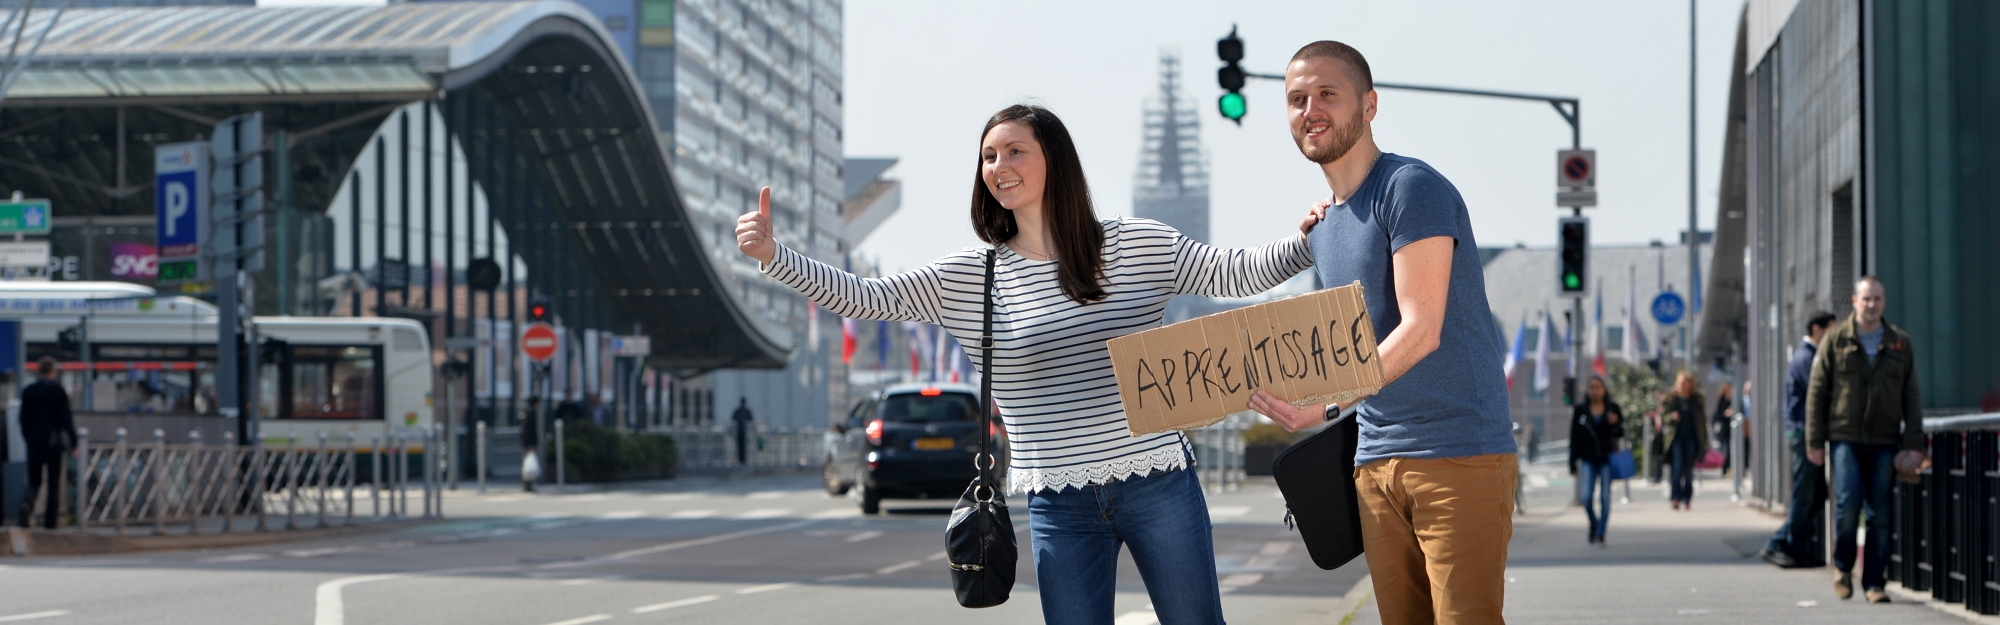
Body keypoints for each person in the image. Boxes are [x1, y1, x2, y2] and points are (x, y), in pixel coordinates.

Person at [735, 103, 1315, 625]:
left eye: (1015, 151)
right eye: (988, 155)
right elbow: (867, 297)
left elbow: (1239, 273)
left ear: (1054, 162)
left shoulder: (1136, 245)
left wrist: (1311, 236)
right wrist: (773, 256)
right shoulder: (970, 276)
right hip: (1058, 501)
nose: (998, 165)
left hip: (1159, 482)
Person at [1243, 41, 1519, 624]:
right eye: (1297, 99)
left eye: (1327, 94)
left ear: (1368, 105)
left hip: (1456, 453)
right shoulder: (1323, 227)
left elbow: (1421, 330)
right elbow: (1346, 343)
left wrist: (1323, 407)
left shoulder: (1410, 188)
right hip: (1373, 460)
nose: (1310, 109)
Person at [1806, 277, 1923, 604]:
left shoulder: (1899, 343)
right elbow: (1817, 393)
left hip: (1885, 440)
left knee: (1880, 514)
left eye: (1877, 299)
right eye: (1866, 298)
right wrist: (1814, 441)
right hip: (1845, 438)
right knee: (1847, 506)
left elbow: (1911, 397)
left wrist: (1915, 444)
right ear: (1855, 301)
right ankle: (1843, 568)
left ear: (1884, 302)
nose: (1871, 305)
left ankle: (1874, 583)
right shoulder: (1835, 340)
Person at [1761, 310, 1837, 568]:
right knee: (1804, 494)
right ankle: (1781, 544)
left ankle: (1793, 545)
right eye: (1830, 330)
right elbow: (1821, 392)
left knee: (1814, 496)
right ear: (1817, 329)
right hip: (1804, 433)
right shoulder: (1807, 358)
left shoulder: (1809, 356)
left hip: (1806, 432)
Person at [19, 356, 76, 528]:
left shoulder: (29, 391)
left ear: (38, 371)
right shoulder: (58, 391)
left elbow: (23, 419)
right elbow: (67, 419)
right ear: (53, 371)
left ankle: (26, 507)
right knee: (53, 483)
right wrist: (73, 443)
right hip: (54, 443)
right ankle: (50, 521)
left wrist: (28, 438)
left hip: (34, 442)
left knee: (34, 481)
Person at [1568, 377, 1624, 547]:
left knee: (1605, 497)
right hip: (1588, 459)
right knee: (1586, 496)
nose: (1594, 391)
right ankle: (1594, 523)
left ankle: (1600, 533)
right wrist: (1572, 462)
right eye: (1591, 387)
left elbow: (1620, 433)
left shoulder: (1612, 409)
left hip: (1607, 459)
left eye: (1597, 387)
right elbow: (1574, 437)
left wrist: (1616, 423)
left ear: (1604, 390)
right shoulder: (1581, 411)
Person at [1660, 371, 1707, 511]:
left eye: (1684, 382)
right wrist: (1671, 417)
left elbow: (1702, 421)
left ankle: (1687, 499)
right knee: (1677, 467)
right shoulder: (1671, 399)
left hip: (1692, 438)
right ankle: (1675, 497)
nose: (1681, 384)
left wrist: (1705, 440)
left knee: (1688, 470)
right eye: (1679, 381)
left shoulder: (1696, 401)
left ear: (1690, 384)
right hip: (1676, 438)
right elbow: (1664, 417)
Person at [1712, 381, 1736, 476]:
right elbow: (1716, 415)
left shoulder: (1735, 401)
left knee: (1732, 450)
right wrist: (1725, 413)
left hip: (1734, 430)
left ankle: (1730, 469)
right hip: (1724, 430)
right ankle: (1725, 469)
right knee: (1726, 450)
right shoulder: (1721, 401)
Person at [520, 396, 542, 492]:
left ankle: (527, 484)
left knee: (527, 463)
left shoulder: (526, 413)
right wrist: (531, 443)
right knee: (528, 463)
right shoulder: (530, 414)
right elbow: (529, 431)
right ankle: (527, 484)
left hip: (526, 442)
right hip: (529, 442)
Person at [731, 397, 754, 466]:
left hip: (743, 431)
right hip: (740, 431)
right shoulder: (742, 411)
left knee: (742, 446)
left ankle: (743, 459)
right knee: (741, 446)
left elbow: (750, 419)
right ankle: (741, 459)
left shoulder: (742, 411)